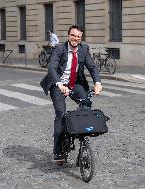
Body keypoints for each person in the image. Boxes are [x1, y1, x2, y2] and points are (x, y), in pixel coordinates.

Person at [40, 25, 103, 162]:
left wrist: (97, 83)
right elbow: (51, 67)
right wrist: (59, 84)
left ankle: (80, 135)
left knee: (86, 104)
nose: (75, 38)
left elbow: (92, 67)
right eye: (73, 35)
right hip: (58, 84)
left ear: (81, 38)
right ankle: (58, 151)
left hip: (75, 84)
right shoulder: (59, 48)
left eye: (78, 36)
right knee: (61, 115)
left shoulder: (83, 49)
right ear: (69, 36)